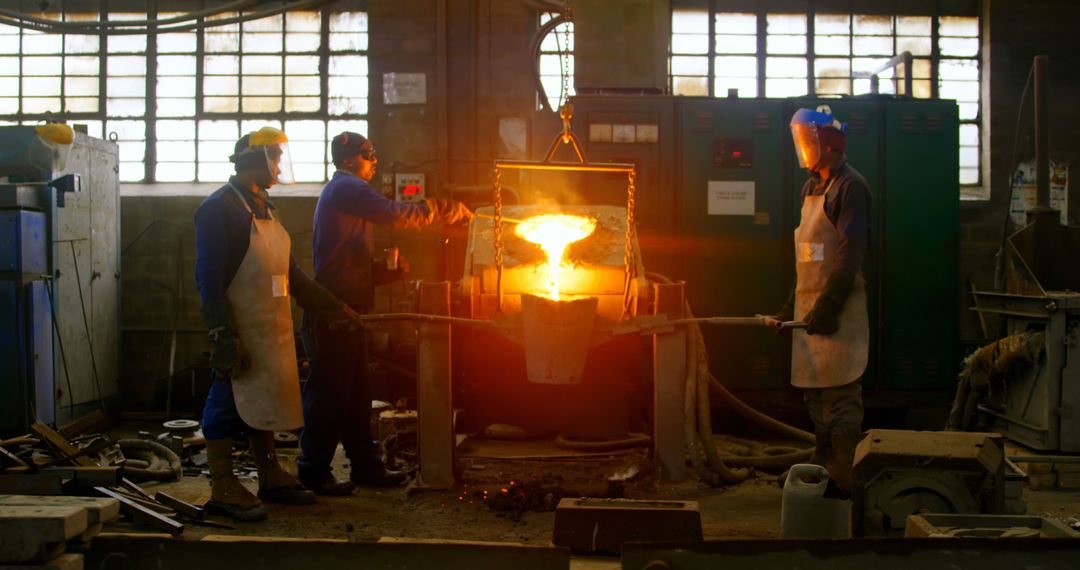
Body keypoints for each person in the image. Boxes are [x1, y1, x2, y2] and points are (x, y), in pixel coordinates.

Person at [194, 127, 362, 521]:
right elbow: (209, 279)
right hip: (240, 328)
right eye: (275, 158)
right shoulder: (220, 209)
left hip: (270, 326)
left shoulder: (263, 207)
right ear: (255, 161)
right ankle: (221, 484)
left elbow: (294, 275)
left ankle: (269, 473)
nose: (280, 166)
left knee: (263, 400)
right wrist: (222, 335)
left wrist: (335, 306)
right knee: (226, 400)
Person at [297, 131, 472, 495]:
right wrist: (439, 209)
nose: (373, 159)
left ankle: (366, 467)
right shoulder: (346, 187)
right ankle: (312, 471)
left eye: (373, 153)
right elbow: (392, 213)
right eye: (367, 154)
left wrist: (384, 273)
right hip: (334, 311)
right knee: (330, 395)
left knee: (356, 393)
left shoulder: (348, 195)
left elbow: (344, 262)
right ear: (347, 160)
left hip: (350, 310)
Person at [770, 106, 871, 494]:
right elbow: (809, 261)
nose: (802, 149)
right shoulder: (812, 188)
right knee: (816, 396)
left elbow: (849, 255)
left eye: (806, 141)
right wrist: (790, 307)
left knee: (840, 396)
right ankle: (822, 462)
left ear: (826, 142)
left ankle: (843, 475)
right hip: (810, 307)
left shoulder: (851, 187)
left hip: (838, 311)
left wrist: (828, 308)